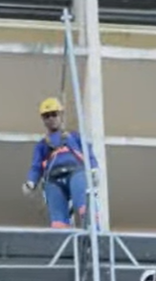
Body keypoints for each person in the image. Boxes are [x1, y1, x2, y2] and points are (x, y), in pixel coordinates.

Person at [22, 97, 99, 229]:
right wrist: (31, 181)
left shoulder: (74, 137)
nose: (51, 119)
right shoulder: (42, 145)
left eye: (54, 114)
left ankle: (95, 236)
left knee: (84, 205)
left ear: (61, 115)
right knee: (58, 220)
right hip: (52, 179)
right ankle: (63, 240)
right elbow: (36, 167)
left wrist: (93, 168)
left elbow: (88, 152)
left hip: (75, 171)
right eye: (47, 116)